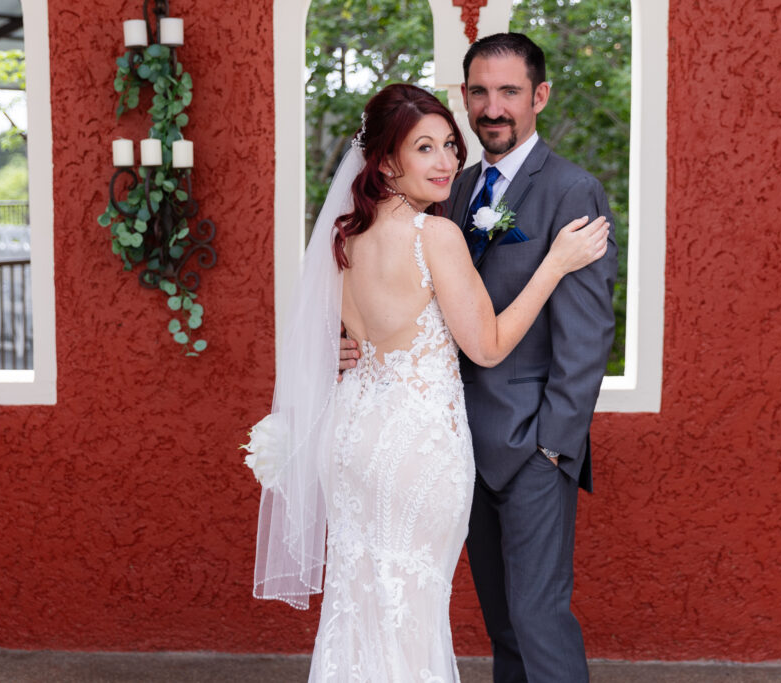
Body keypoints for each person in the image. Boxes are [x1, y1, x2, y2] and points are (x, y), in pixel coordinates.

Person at [244, 83, 608, 681]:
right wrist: (555, 265)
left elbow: (341, 337)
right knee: (410, 608)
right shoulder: (434, 235)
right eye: (425, 148)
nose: (445, 162)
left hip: (354, 437)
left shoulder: (343, 236)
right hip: (416, 447)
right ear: (387, 161)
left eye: (448, 145)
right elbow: (486, 346)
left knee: (360, 601)